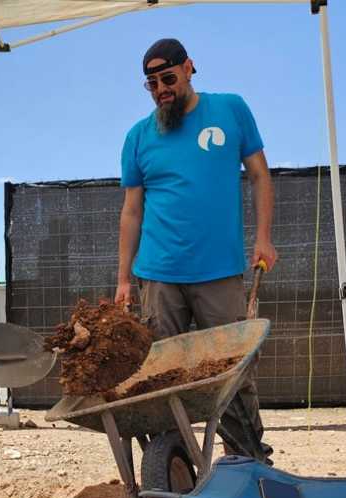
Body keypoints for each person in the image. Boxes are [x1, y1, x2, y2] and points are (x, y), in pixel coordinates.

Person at [115, 38, 277, 462]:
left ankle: (248, 464)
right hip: (160, 276)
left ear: (189, 68)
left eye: (167, 78)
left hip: (219, 273)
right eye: (151, 84)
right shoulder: (138, 137)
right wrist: (123, 279)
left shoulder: (230, 109)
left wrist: (263, 238)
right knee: (160, 378)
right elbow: (132, 211)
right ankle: (172, 467)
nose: (161, 90)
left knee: (232, 373)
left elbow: (260, 175)